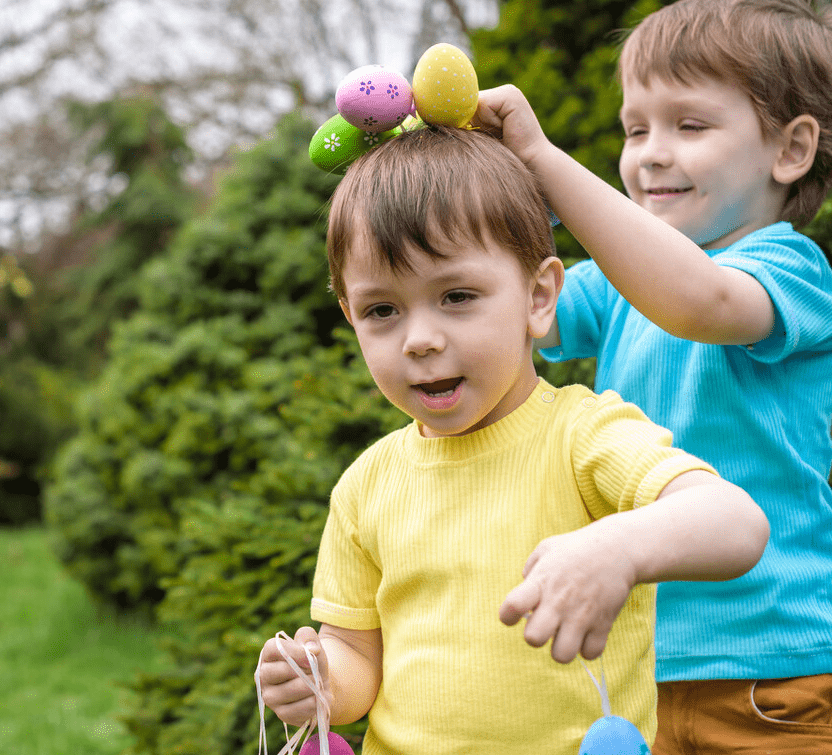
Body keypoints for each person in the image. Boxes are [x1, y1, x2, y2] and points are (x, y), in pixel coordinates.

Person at [254, 125, 769, 754]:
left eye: (456, 296)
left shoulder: (584, 437)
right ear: (350, 317)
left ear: (539, 295)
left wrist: (620, 549)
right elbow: (360, 662)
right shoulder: (368, 483)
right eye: (382, 311)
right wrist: (321, 679)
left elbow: (737, 524)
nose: (419, 339)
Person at [471, 0, 832, 752]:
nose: (648, 154)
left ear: (790, 149)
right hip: (639, 668)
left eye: (688, 125)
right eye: (635, 129)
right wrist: (457, 185)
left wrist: (543, 159)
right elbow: (505, 314)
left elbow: (696, 300)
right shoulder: (615, 290)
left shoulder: (788, 270)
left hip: (774, 677)